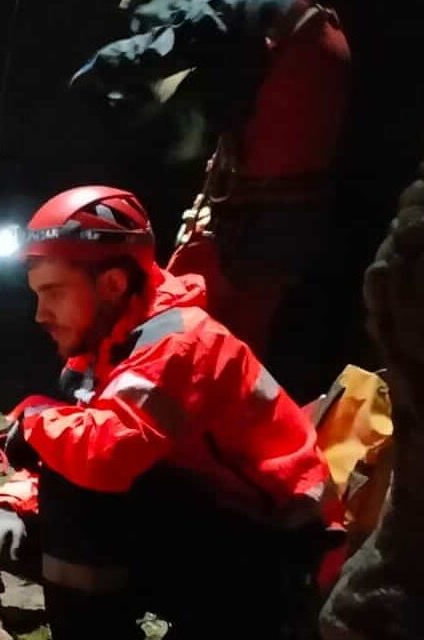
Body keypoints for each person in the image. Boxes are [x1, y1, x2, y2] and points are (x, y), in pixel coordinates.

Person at [0, 185, 330, 640]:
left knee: (78, 489)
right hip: (224, 531)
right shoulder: (112, 349)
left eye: (52, 292)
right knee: (55, 494)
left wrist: (33, 423)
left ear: (114, 284)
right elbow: (89, 443)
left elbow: (105, 456)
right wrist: (13, 502)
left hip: (271, 560)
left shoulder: (180, 345)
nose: (40, 314)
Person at [72, 0, 351, 367]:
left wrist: (109, 66)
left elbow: (199, 28)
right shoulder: (312, 24)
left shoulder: (257, 14)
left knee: (185, 337)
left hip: (253, 219)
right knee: (235, 341)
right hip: (286, 218)